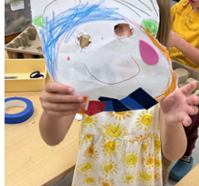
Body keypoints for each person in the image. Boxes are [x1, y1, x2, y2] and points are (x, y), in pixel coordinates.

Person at [39, 0, 199, 185]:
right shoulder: (83, 76)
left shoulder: (161, 79)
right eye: (115, 26)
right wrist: (52, 114)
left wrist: (172, 123)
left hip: (140, 178)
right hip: (93, 175)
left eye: (137, 27)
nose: (124, 38)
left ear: (157, 28)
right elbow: (52, 138)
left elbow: (173, 153)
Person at [167, 0, 199, 182]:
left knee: (189, 121)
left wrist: (178, 42)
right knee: (166, 114)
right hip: (172, 69)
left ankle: (186, 155)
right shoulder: (182, 7)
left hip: (194, 82)